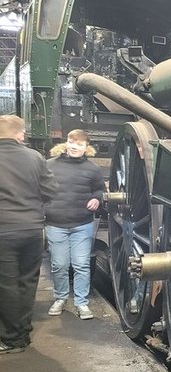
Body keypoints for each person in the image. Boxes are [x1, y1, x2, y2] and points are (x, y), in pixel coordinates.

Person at [0, 114, 56, 354]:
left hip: (4, 230)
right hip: (33, 229)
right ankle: (22, 332)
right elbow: (50, 192)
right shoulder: (35, 157)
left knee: (7, 284)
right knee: (27, 281)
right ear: (20, 134)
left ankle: (12, 339)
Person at [45, 129, 104, 320]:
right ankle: (60, 298)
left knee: (81, 265)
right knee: (60, 264)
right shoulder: (49, 166)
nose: (75, 146)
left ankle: (81, 303)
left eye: (80, 144)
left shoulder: (93, 169)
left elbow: (99, 190)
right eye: (72, 142)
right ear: (66, 143)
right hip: (55, 224)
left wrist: (97, 199)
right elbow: (40, 189)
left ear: (87, 148)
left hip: (82, 224)